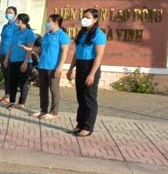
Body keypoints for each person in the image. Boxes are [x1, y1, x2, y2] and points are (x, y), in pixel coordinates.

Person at [19, 14, 70, 119]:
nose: (47, 23)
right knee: (42, 89)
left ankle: (54, 112)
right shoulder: (47, 35)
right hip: (42, 65)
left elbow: (64, 53)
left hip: (53, 67)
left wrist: (60, 67)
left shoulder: (62, 36)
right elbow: (41, 49)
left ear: (56, 23)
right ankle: (43, 110)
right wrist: (29, 49)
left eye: (49, 21)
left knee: (54, 90)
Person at [66, 8, 106, 137]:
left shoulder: (99, 35)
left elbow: (99, 56)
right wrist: (71, 68)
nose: (85, 19)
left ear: (95, 20)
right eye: (84, 17)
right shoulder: (82, 34)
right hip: (80, 65)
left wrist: (92, 74)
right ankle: (80, 124)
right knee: (81, 97)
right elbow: (76, 53)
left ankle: (88, 127)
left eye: (88, 17)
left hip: (90, 66)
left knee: (89, 98)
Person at [3, 13, 36, 109]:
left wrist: (25, 62)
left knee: (23, 83)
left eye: (17, 20)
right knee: (12, 81)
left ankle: (21, 102)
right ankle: (12, 101)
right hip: (13, 60)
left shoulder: (29, 33)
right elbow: (10, 46)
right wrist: (6, 58)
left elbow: (30, 48)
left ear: (20, 21)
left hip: (24, 61)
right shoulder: (15, 32)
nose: (16, 21)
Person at [0, 6, 18, 103]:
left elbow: (15, 42)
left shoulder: (16, 27)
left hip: (11, 55)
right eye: (7, 12)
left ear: (15, 15)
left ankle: (11, 96)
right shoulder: (5, 26)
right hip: (3, 53)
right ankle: (6, 94)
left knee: (10, 76)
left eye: (10, 12)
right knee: (5, 76)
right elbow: (1, 40)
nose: (8, 14)